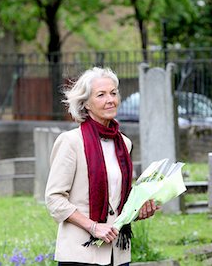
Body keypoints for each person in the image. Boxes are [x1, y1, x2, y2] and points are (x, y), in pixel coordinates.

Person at [45, 67, 159, 266]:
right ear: (86, 103)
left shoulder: (124, 143)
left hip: (118, 253)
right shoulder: (71, 142)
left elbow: (119, 202)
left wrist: (138, 209)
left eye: (113, 93)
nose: (110, 99)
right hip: (80, 253)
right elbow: (54, 199)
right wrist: (93, 227)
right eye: (101, 95)